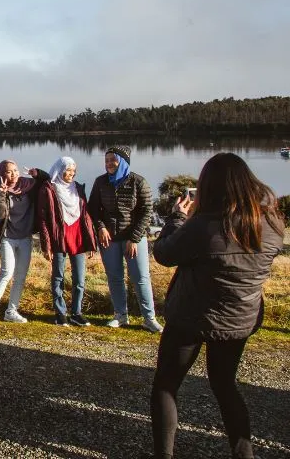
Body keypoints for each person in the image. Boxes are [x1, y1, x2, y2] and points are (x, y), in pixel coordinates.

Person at [148, 153, 283, 459]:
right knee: (224, 385)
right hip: (239, 318)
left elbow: (165, 254)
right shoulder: (271, 224)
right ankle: (243, 453)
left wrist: (178, 219)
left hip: (191, 318)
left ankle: (163, 456)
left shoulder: (205, 226)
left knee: (166, 385)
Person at [87, 145, 163, 332]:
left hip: (134, 239)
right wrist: (101, 228)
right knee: (115, 278)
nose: (109, 164)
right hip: (110, 239)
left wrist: (135, 238)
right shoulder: (100, 182)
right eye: (106, 160)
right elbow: (93, 209)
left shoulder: (139, 182)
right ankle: (120, 315)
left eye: (113, 160)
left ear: (123, 161)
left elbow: (146, 212)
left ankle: (149, 318)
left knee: (141, 277)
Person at [0, 160, 49, 323]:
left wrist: (38, 173)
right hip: (8, 238)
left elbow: (47, 181)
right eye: (8, 172)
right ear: (1, 175)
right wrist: (2, 194)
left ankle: (11, 311)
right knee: (6, 272)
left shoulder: (30, 186)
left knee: (20, 276)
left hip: (26, 237)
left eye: (15, 170)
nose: (13, 174)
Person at [37, 156, 97, 327]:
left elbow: (86, 215)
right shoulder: (49, 189)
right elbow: (43, 219)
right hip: (59, 238)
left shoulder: (77, 188)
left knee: (79, 278)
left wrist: (91, 241)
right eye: (68, 170)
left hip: (78, 236)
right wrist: (46, 245)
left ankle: (77, 313)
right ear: (60, 169)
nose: (71, 173)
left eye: (73, 170)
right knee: (58, 276)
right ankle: (60, 313)